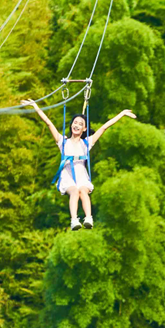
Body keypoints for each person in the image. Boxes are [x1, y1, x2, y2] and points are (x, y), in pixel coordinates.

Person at [21, 98, 135, 230]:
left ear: (84, 128)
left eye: (80, 124)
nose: (76, 125)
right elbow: (48, 123)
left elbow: (104, 127)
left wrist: (122, 114)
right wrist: (35, 106)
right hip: (67, 176)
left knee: (83, 191)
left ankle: (88, 218)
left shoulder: (87, 143)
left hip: (82, 176)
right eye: (75, 122)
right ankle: (74, 220)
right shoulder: (62, 141)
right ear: (71, 125)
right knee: (74, 191)